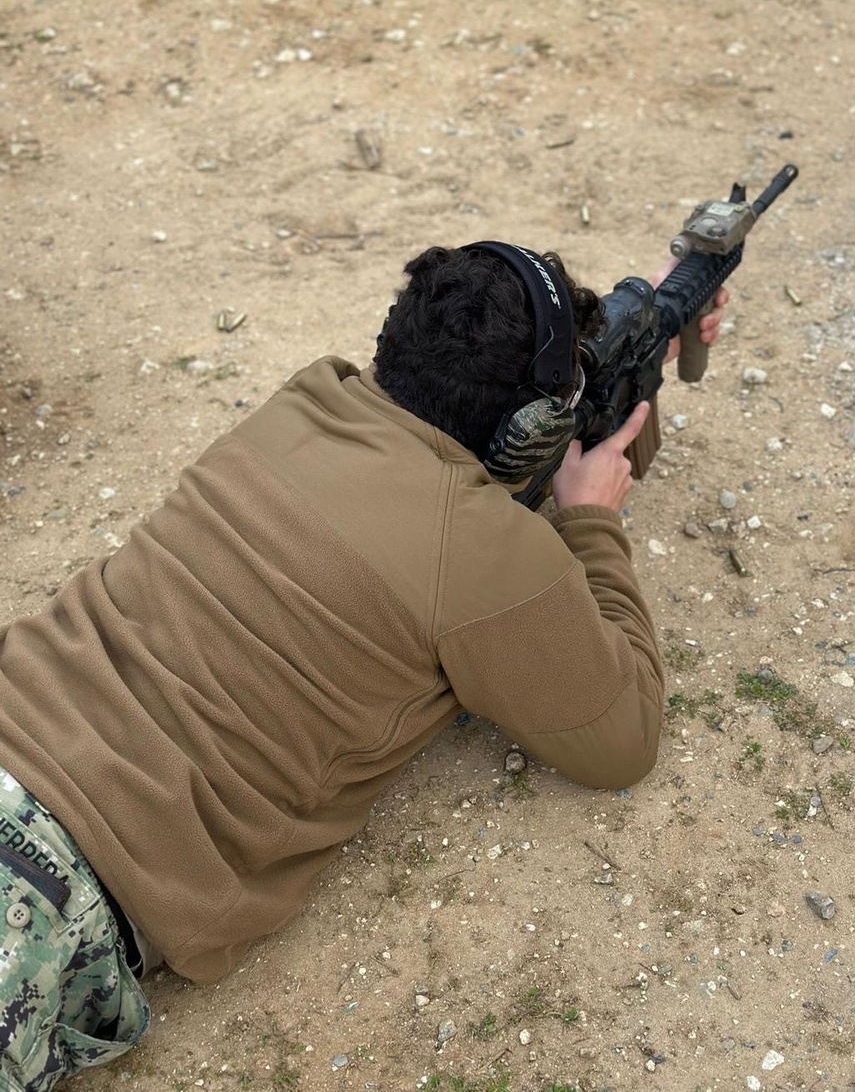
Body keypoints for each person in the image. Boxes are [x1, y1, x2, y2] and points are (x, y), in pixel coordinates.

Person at [0, 241, 726, 1091]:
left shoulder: (309, 397)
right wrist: (594, 516)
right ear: (531, 429)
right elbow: (624, 737)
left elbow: (427, 488)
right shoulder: (487, 555)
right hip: (53, 880)